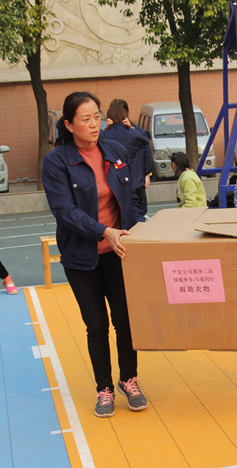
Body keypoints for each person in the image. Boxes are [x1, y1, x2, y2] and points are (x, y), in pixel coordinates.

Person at [42, 91, 147, 418]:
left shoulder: (115, 151)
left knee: (125, 320)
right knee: (97, 325)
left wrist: (137, 228)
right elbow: (65, 211)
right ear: (69, 124)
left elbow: (131, 197)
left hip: (119, 252)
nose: (94, 125)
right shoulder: (56, 162)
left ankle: (129, 379)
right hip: (81, 258)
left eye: (97, 118)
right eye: (85, 119)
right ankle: (104, 388)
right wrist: (104, 231)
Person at [102, 102, 153, 216]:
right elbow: (145, 142)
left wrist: (106, 128)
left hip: (114, 180)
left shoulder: (105, 135)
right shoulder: (134, 133)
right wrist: (132, 128)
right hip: (135, 179)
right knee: (138, 213)